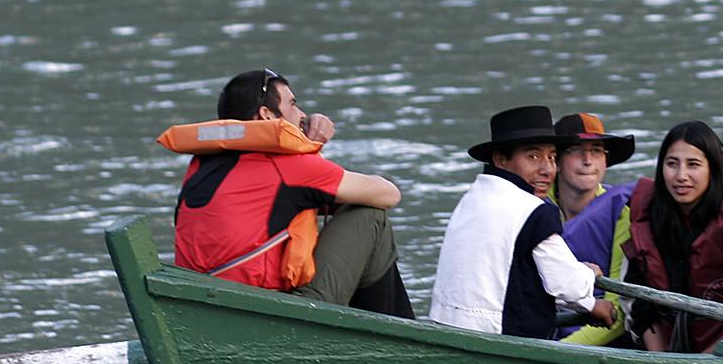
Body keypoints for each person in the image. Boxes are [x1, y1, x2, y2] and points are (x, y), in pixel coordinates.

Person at [165, 68, 414, 318]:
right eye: (293, 104)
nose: (302, 115)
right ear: (266, 115)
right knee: (370, 217)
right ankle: (395, 337)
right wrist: (309, 147)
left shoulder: (200, 166)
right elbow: (388, 194)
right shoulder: (286, 166)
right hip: (273, 313)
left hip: (205, 307)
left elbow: (283, 199)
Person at [429, 105, 615, 338]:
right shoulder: (532, 209)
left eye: (552, 157)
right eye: (533, 156)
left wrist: (586, 305)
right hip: (497, 339)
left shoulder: (471, 199)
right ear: (501, 160)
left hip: (446, 328)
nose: (547, 169)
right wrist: (591, 278)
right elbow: (568, 285)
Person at [619, 121, 723, 352]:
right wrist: (662, 362)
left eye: (693, 165)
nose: (681, 176)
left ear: (712, 168)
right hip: (664, 348)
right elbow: (638, 302)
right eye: (672, 164)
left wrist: (706, 362)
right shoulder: (647, 215)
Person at [553, 111, 636, 346]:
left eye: (597, 151)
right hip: (540, 326)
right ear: (556, 160)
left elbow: (617, 313)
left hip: (598, 341)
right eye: (575, 150)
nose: (587, 160)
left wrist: (558, 351)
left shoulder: (622, 212)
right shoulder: (535, 206)